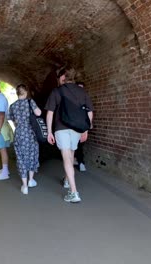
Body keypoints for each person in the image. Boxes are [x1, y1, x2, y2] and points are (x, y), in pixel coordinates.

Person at [45, 67, 93, 203]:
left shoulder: (57, 91)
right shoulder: (82, 91)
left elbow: (50, 113)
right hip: (77, 129)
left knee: (67, 158)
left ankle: (73, 192)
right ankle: (67, 180)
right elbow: (89, 111)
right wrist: (86, 129)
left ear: (62, 78)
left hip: (61, 128)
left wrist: (49, 132)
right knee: (71, 156)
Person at [9, 84, 42, 194]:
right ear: (26, 92)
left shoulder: (13, 106)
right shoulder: (30, 102)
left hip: (19, 134)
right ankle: (31, 180)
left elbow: (13, 121)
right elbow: (38, 113)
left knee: (21, 158)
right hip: (30, 133)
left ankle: (24, 186)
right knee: (32, 155)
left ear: (17, 93)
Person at [73, 81, 92, 172]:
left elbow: (89, 113)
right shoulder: (71, 99)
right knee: (73, 146)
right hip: (71, 126)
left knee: (79, 145)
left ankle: (81, 162)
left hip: (81, 126)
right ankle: (74, 160)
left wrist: (88, 126)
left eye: (82, 88)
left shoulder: (85, 100)